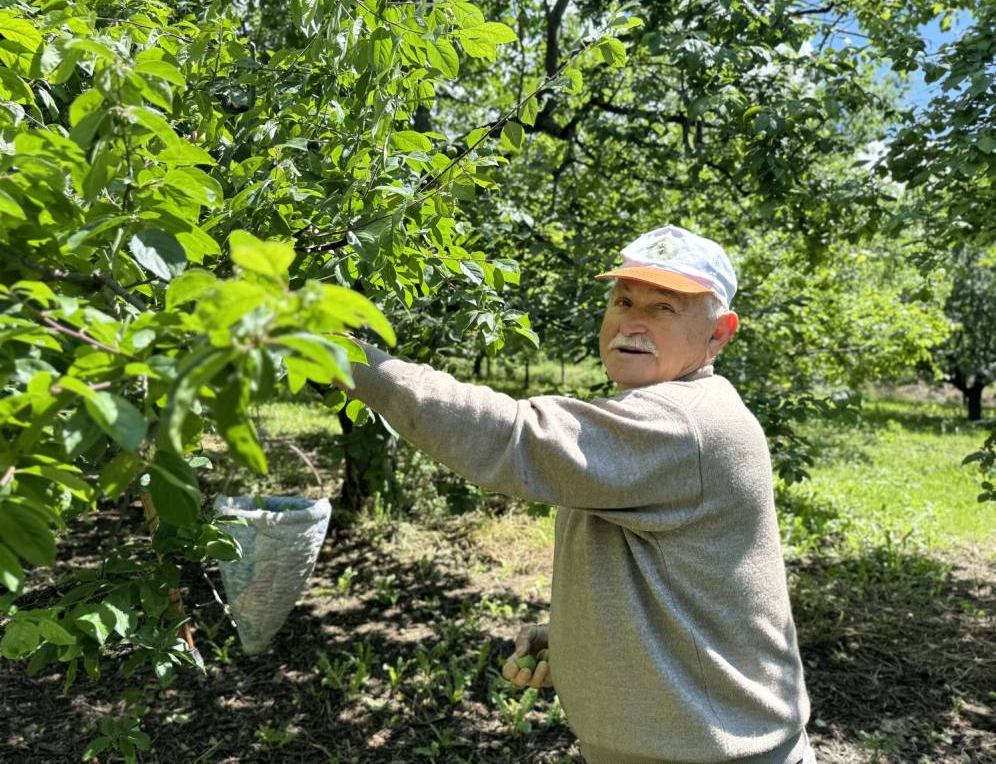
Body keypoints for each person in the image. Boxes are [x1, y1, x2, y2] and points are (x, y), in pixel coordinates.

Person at [344, 224, 815, 764]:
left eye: (664, 309)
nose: (632, 321)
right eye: (623, 299)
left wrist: (342, 355)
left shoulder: (686, 424)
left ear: (718, 334)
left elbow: (511, 437)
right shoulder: (660, 414)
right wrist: (572, 640)